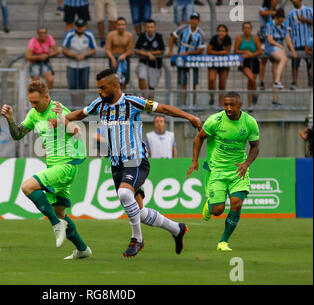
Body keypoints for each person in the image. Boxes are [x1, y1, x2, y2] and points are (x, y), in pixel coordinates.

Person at [59, 68, 202, 257]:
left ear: (115, 86)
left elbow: (164, 109)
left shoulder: (132, 102)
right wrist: (64, 118)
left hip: (136, 160)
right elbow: (81, 113)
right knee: (138, 212)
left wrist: (190, 117)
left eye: (103, 88)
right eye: (98, 89)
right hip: (116, 164)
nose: (99, 92)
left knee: (125, 193)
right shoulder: (99, 104)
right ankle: (177, 229)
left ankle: (137, 240)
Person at [0, 80, 91, 260]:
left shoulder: (58, 110)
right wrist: (10, 119)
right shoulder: (34, 114)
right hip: (54, 167)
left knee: (27, 187)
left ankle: (56, 226)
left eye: (36, 102)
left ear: (47, 97)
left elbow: (77, 133)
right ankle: (82, 249)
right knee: (60, 213)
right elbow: (18, 135)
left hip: (67, 165)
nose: (33, 106)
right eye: (31, 102)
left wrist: (62, 120)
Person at [186, 92, 260, 252]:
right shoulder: (215, 121)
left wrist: (247, 163)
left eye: (231, 105)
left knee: (237, 203)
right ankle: (210, 206)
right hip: (217, 170)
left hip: (238, 170)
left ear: (240, 105)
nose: (228, 108)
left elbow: (255, 146)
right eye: (225, 104)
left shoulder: (249, 122)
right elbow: (199, 138)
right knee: (218, 210)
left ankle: (223, 242)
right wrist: (195, 160)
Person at [169, 12, 206, 105]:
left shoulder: (201, 33)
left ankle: (193, 104)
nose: (193, 21)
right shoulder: (183, 28)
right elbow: (173, 36)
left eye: (195, 19)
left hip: (193, 59)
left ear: (198, 21)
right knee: (182, 82)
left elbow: (201, 50)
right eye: (192, 18)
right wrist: (170, 51)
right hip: (181, 57)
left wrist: (189, 52)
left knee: (194, 83)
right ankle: (183, 104)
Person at [264, 8, 297, 92]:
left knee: (277, 72)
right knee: (284, 59)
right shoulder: (269, 25)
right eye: (279, 21)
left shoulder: (284, 26)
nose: (281, 23)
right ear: (276, 18)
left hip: (279, 49)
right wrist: (280, 46)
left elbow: (288, 39)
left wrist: (293, 50)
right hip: (271, 48)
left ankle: (275, 100)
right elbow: (270, 40)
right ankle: (277, 82)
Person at [134, 19, 165, 100]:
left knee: (152, 86)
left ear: (154, 28)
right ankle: (143, 100)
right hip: (143, 62)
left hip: (155, 64)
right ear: (145, 28)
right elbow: (136, 49)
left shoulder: (159, 37)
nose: (150, 29)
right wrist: (147, 54)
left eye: (151, 27)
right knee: (142, 77)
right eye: (148, 27)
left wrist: (152, 54)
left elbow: (162, 50)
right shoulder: (142, 36)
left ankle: (149, 105)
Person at [62, 19, 97, 90]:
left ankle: (82, 101)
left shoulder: (89, 35)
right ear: (75, 26)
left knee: (84, 87)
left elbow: (93, 49)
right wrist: (75, 56)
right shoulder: (69, 34)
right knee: (72, 87)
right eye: (78, 27)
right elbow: (64, 49)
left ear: (85, 27)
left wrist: (84, 55)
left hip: (85, 64)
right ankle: (74, 101)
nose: (80, 29)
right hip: (72, 64)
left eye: (82, 27)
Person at [234, 22, 262, 108]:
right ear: (243, 29)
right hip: (245, 61)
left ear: (251, 29)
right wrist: (245, 52)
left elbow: (259, 50)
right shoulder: (239, 38)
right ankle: (255, 94)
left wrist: (251, 54)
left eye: (248, 28)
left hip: (254, 61)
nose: (247, 29)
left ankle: (250, 105)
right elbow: (236, 50)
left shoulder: (255, 38)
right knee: (251, 78)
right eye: (245, 28)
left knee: (250, 84)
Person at [287, 0, 313, 89]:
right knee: (294, 64)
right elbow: (288, 29)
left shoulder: (309, 10)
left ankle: (311, 82)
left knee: (310, 64)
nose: (294, 1)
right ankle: (294, 82)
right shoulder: (290, 14)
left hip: (308, 43)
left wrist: (306, 20)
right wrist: (289, 42)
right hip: (296, 43)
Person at [105, 17, 134, 90]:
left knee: (124, 81)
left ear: (125, 26)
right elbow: (107, 49)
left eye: (122, 24)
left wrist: (124, 55)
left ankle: (123, 99)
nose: (121, 26)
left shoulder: (129, 35)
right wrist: (112, 59)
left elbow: (130, 50)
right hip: (113, 58)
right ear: (116, 25)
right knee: (113, 81)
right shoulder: (111, 35)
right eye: (119, 24)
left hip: (124, 59)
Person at [207, 24, 232, 107]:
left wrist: (217, 53)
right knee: (211, 79)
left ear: (226, 32)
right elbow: (209, 50)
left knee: (222, 84)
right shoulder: (214, 38)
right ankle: (211, 97)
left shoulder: (228, 39)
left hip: (223, 63)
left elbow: (227, 51)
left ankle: (221, 104)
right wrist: (220, 53)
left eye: (223, 31)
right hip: (213, 63)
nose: (221, 33)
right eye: (219, 31)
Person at [258, 0, 279, 91]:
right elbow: (262, 12)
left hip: (274, 37)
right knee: (263, 60)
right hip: (264, 36)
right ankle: (261, 81)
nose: (277, 1)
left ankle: (276, 82)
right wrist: (273, 12)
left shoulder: (277, 11)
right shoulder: (264, 9)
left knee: (275, 61)